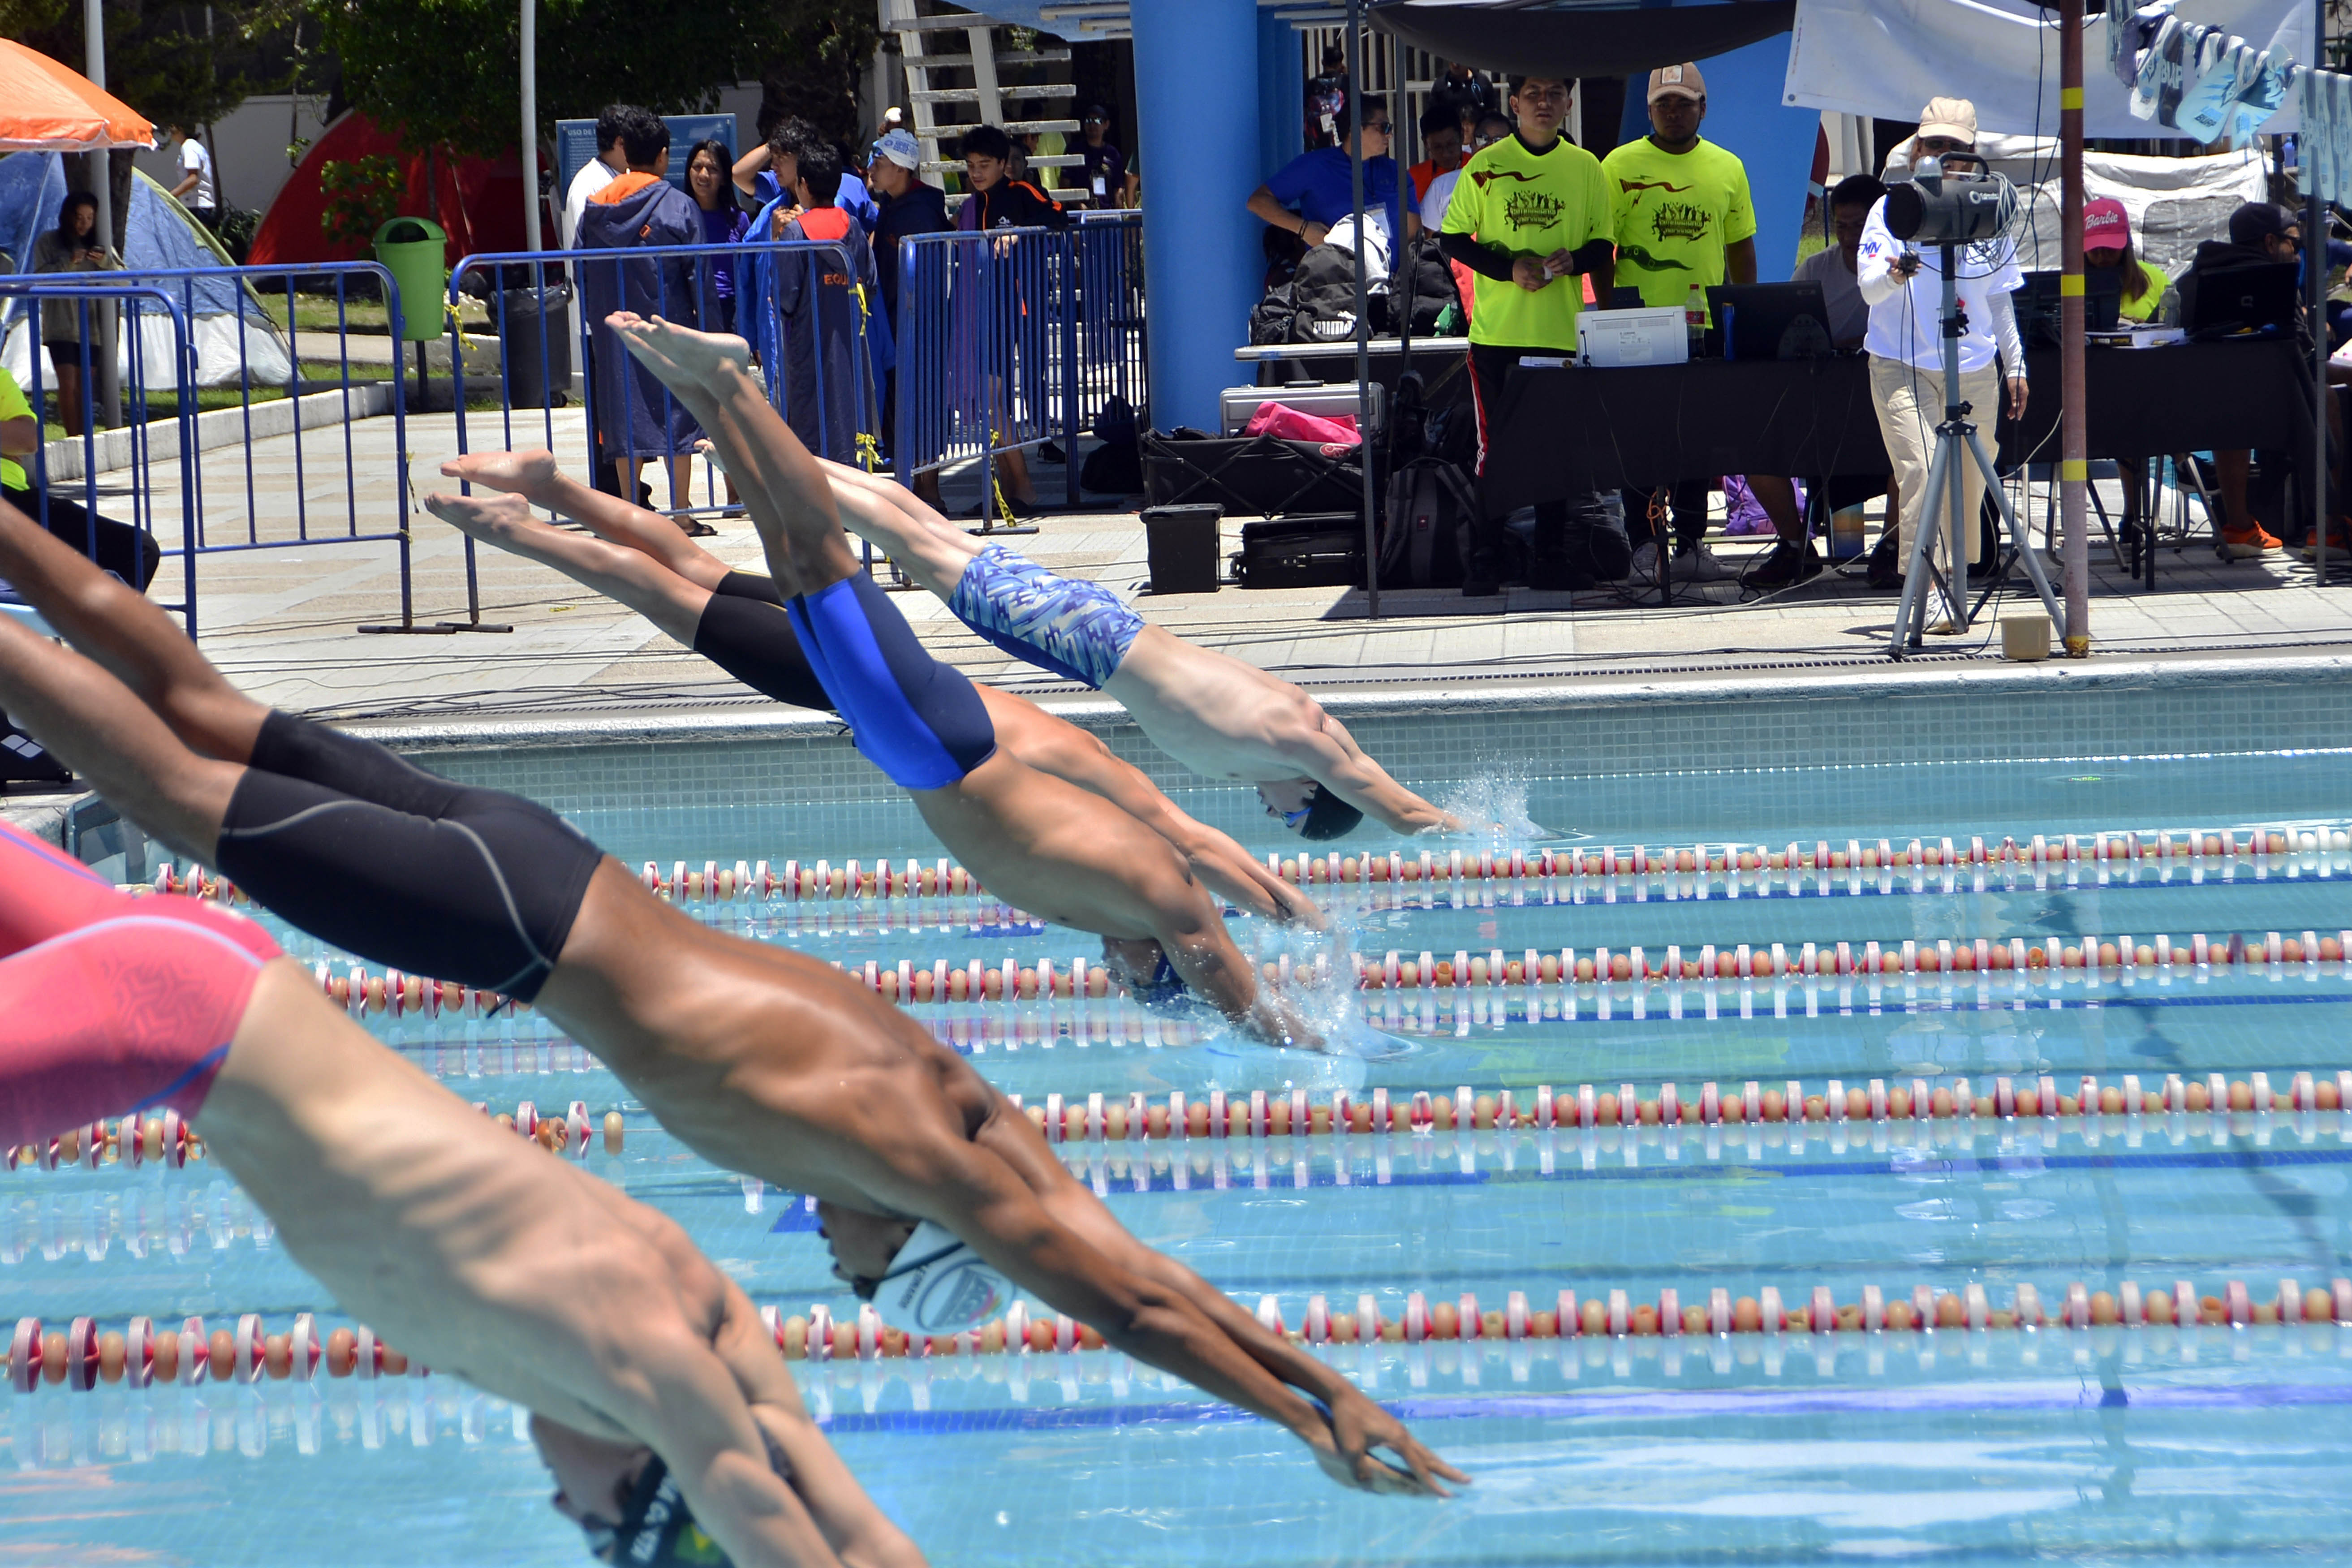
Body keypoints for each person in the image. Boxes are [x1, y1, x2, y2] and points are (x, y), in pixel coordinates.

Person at [0, 495, 1468, 1506]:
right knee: (164, 782)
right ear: (921, 1239)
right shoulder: (914, 1163)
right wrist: (1308, 1412)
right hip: (514, 931)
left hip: (547, 863)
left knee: (196, 702)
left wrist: (1319, 1380)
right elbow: (1129, 1300)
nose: (834, 1267)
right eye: (866, 1276)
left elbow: (1131, 1255)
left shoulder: (968, 1121)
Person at [0, 817, 922, 1568]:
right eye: (598, 1524)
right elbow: (756, 1488)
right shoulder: (628, 1341)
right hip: (167, 1019)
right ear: (658, 1468)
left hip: (206, 980)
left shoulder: (678, 1318)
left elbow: (827, 1496)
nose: (559, 1501)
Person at [427, 449, 1314, 925]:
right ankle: (521, 529)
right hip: (859, 682)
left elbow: (1205, 848)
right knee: (667, 593)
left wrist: (1295, 917)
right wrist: (1304, 927)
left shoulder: (1103, 777)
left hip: (910, 684)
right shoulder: (1129, 825)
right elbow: (1204, 856)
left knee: (691, 567)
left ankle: (555, 488)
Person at [713, 442, 1456, 837]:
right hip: (1087, 643)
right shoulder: (1297, 742)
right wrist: (1471, 837)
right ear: (1312, 788)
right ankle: (759, 459)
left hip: (1098, 628)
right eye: (1294, 814)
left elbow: (1361, 767)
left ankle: (771, 448)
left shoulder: (1296, 723)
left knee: (919, 528)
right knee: (909, 537)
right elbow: (1397, 807)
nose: (1275, 815)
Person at [1437, 74, 1625, 598]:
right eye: (1533, 95)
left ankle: (1549, 558)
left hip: (1559, 336)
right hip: (1496, 336)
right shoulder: (1486, 166)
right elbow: (1453, 238)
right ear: (1515, 104)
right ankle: (1485, 555)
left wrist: (1573, 262)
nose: (1544, 104)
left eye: (1554, 95)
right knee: (1494, 451)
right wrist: (1506, 268)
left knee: (1553, 452)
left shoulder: (1586, 168)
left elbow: (1601, 245)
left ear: (1568, 104)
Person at [1854, 96, 2029, 608]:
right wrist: (1893, 272)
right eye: (1934, 144)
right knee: (1924, 471)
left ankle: (1954, 579)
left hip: (1973, 366)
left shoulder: (1987, 210)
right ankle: (1926, 585)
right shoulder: (1890, 207)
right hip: (1899, 364)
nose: (1944, 156)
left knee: (1971, 477)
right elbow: (1867, 288)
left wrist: (2015, 363)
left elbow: (2000, 297)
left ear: (1974, 155)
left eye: (1956, 147)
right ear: (1915, 151)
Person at [1602, 63, 1758, 587]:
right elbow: (1605, 248)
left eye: (1684, 103)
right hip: (1640, 325)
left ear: (1703, 108)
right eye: (1664, 104)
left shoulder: (1728, 167)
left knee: (1698, 439)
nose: (1674, 113)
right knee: (1642, 439)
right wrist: (1607, 309)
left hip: (1704, 324)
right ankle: (1645, 547)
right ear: (1649, 111)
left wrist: (1745, 313)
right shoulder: (1619, 165)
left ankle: (1691, 544)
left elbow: (1741, 248)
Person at [1743, 173, 1892, 590]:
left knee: (1913, 458)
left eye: (1859, 226)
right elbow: (1784, 328)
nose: (1849, 237)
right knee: (1756, 458)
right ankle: (1795, 547)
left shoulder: (1901, 270)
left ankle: (1894, 549)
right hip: (1820, 404)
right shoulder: (1816, 269)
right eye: (1841, 226)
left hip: (1884, 399)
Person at [575, 108, 705, 520]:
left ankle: (632, 513)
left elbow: (581, 268)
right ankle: (681, 513)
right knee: (678, 415)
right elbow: (698, 275)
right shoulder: (679, 206)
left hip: (615, 331)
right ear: (664, 156)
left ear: (625, 152)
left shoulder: (596, 208)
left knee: (622, 417)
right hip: (669, 328)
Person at [743, 140, 889, 464]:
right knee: (850, 425)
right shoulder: (853, 226)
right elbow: (871, 283)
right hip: (852, 344)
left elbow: (786, 296)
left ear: (804, 185)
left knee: (811, 434)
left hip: (808, 347)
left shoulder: (795, 232)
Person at [952, 124, 1067, 518]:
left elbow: (1059, 215)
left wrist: (1021, 233)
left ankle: (1022, 487)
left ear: (1004, 164)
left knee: (993, 397)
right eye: (971, 166)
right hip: (982, 310)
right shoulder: (973, 203)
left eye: (985, 164)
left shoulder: (1021, 193)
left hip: (1014, 311)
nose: (977, 172)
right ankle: (1011, 487)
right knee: (992, 400)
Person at [2185, 200, 2307, 559]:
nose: (2298, 255)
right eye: (2295, 244)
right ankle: (2330, 525)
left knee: (2231, 397)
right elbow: (2306, 357)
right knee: (2329, 397)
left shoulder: (2198, 278)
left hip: (2198, 405)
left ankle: (2238, 523)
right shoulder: (2280, 284)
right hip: (2282, 401)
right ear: (2271, 243)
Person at [0, 365, 158, 590]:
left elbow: (27, 439)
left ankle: (96, 623)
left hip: (13, 500)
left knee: (138, 549)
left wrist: (11, 441)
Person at [1249, 97, 1405, 254]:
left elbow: (1413, 231)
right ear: (1356, 129)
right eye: (1384, 127)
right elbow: (1258, 201)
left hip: (1393, 276)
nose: (1390, 135)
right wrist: (1303, 229)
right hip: (1338, 276)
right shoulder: (1315, 166)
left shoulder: (1393, 170)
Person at [30, 193, 118, 441]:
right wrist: (68, 263)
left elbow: (123, 277)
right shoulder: (48, 242)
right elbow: (39, 277)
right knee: (68, 384)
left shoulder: (99, 245)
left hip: (91, 328)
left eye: (90, 218)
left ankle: (85, 439)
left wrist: (104, 263)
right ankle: (72, 438)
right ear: (68, 216)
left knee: (85, 386)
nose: (84, 224)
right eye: (79, 217)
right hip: (61, 326)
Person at [733, 117, 881, 235]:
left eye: (781, 157)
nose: (773, 165)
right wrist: (773, 145)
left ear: (802, 157)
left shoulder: (850, 185)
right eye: (773, 156)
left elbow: (875, 226)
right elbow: (738, 175)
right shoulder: (778, 186)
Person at [684, 138, 751, 338]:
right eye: (697, 167)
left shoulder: (739, 219)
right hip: (691, 311)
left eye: (712, 169)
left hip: (730, 311)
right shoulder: (679, 217)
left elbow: (748, 273)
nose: (703, 175)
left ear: (724, 178)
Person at [560, 105, 636, 249]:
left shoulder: (624, 175)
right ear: (620, 143)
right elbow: (587, 243)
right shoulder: (587, 184)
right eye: (637, 141)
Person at [1407, 103, 1465, 220]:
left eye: (1451, 144)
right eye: (1438, 147)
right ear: (1425, 143)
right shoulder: (1413, 178)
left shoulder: (1477, 166)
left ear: (1462, 136)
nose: (1446, 154)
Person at [166, 124, 217, 228]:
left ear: (182, 128)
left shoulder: (189, 147)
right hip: (197, 205)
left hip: (197, 206)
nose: (170, 129)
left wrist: (169, 197)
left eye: (174, 125)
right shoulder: (192, 146)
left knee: (195, 242)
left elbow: (193, 179)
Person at [1077, 104, 1127, 206]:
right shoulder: (1075, 151)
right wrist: (1079, 206)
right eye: (1088, 121)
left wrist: (1119, 206)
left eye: (1097, 121)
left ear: (1106, 125)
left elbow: (1118, 187)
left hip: (1108, 214)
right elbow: (1065, 185)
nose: (1092, 125)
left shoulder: (1113, 154)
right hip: (1081, 215)